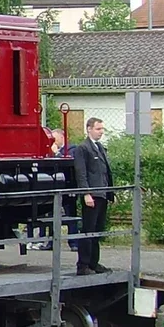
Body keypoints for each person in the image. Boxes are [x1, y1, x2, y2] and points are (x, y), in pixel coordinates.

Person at [72, 117, 112, 275]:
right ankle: (83, 265)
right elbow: (81, 173)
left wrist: (110, 192)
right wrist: (86, 193)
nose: (101, 132)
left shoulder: (100, 147)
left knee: (97, 230)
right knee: (88, 230)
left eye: (102, 129)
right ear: (89, 129)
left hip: (102, 193)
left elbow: (105, 172)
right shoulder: (83, 148)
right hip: (92, 195)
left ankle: (94, 262)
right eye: (98, 129)